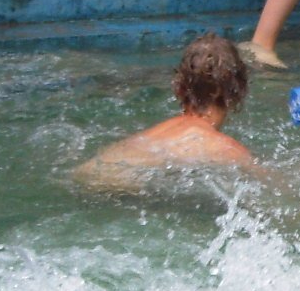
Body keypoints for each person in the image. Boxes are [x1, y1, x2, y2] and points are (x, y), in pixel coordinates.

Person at [72, 32, 255, 192]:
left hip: (84, 178)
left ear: (179, 88)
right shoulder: (224, 149)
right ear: (238, 90)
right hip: (119, 190)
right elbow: (268, 191)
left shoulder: (159, 131)